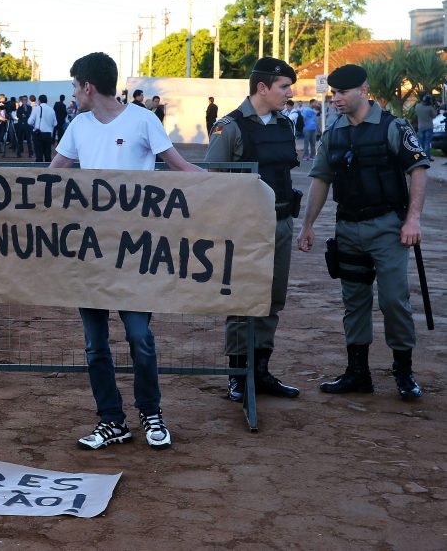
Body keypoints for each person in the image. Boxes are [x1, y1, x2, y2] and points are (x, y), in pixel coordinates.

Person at [51, 52, 203, 450]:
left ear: (87, 86)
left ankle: (151, 413)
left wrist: (236, 189)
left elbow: (181, 168)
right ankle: (111, 420)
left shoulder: (143, 120)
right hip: (89, 251)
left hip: (137, 250)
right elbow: (50, 176)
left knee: (140, 336)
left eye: (73, 86)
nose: (72, 94)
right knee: (95, 343)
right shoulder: (78, 126)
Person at [297, 64, 428, 401]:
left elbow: (417, 170)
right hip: (348, 228)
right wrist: (308, 224)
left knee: (394, 300)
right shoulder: (333, 134)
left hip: (388, 228)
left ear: (362, 90)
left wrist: (413, 219)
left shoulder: (392, 126)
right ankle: (358, 373)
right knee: (353, 302)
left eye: (341, 93)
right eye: (333, 93)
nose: (336, 98)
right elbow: (321, 180)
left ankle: (403, 372)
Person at [205, 57, 303, 402]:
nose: (289, 94)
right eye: (283, 87)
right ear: (262, 88)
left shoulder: (284, 125)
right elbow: (213, 182)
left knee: (272, 299)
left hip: (280, 223)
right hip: (244, 229)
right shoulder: (229, 127)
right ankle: (237, 373)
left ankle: (260, 371)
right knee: (241, 299)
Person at [27, 93, 57, 162]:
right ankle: (48, 171)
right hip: (48, 134)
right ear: (47, 101)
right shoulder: (51, 110)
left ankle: (39, 171)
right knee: (48, 155)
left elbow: (29, 122)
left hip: (38, 134)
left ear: (39, 101)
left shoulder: (36, 109)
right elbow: (55, 123)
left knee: (39, 155)